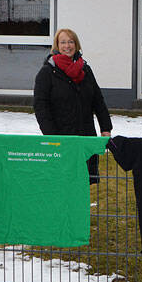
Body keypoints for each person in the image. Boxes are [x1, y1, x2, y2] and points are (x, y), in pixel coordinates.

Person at [33, 28, 112, 185]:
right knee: (63, 183)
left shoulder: (86, 70)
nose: (67, 46)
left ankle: (82, 211)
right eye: (63, 42)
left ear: (76, 45)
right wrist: (52, 137)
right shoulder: (47, 72)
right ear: (56, 45)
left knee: (84, 183)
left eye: (71, 42)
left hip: (86, 137)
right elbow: (41, 107)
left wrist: (106, 127)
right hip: (61, 139)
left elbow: (98, 99)